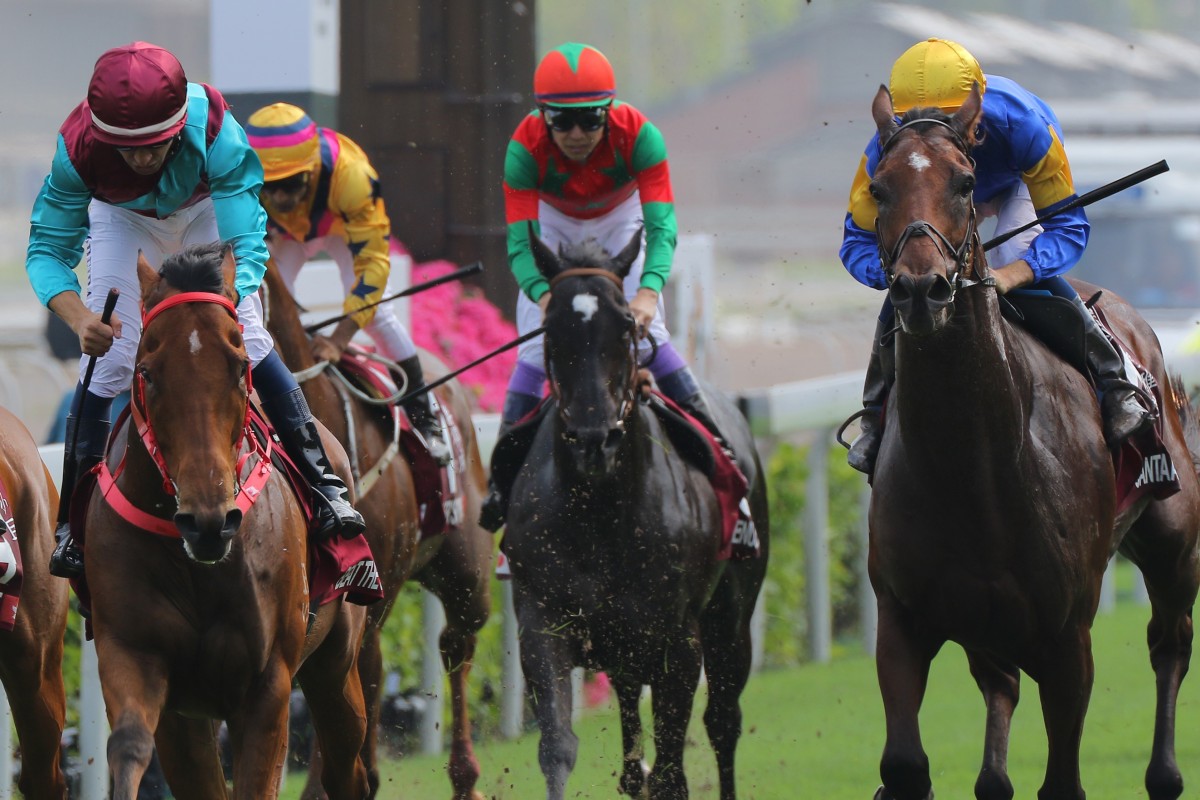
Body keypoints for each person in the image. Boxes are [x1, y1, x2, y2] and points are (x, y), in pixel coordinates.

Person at [27, 41, 366, 579]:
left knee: (247, 334)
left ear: (178, 125)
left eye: (155, 146)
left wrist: (232, 298)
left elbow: (248, 241)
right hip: (122, 219)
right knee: (111, 357)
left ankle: (327, 491)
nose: (141, 159)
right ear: (101, 135)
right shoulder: (77, 151)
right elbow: (47, 250)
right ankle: (73, 524)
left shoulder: (216, 131)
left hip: (206, 209)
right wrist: (79, 319)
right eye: (126, 149)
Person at [840, 37, 1153, 474]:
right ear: (895, 120)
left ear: (975, 111)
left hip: (1015, 183)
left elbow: (1069, 228)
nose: (930, 130)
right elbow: (855, 242)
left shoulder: (1023, 126)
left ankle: (1113, 381)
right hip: (936, 193)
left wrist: (1014, 273)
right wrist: (895, 272)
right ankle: (875, 415)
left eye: (946, 119)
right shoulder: (884, 155)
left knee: (1011, 247)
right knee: (912, 280)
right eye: (916, 122)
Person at [479, 42, 723, 526]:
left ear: (609, 113)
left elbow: (661, 228)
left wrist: (649, 292)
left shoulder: (642, 137)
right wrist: (547, 298)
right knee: (532, 349)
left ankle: (716, 446)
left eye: (591, 120)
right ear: (542, 116)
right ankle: (502, 485)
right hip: (552, 222)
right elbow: (520, 246)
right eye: (562, 121)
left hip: (621, 216)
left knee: (648, 333)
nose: (576, 133)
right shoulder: (522, 148)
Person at [244, 102, 450, 465]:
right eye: (269, 186)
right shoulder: (242, 176)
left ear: (311, 169)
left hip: (339, 228)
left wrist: (339, 340)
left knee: (378, 316)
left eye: (290, 184)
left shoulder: (352, 175)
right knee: (262, 311)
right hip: (282, 236)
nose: (278, 198)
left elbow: (372, 266)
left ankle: (424, 417)